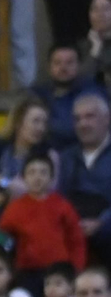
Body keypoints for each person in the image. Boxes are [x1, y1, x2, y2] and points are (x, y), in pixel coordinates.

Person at [0, 154, 87, 292]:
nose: (37, 177)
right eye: (32, 172)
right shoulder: (14, 209)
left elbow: (76, 240)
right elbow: (3, 239)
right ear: (23, 177)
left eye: (43, 172)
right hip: (26, 271)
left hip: (59, 270)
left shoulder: (63, 206)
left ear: (52, 178)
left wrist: (76, 269)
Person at [0, 95, 57, 204]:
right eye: (36, 121)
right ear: (18, 122)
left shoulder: (48, 154)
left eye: (44, 123)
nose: (41, 128)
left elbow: (52, 188)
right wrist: (6, 182)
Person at [56, 93, 111, 262]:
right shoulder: (65, 158)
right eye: (77, 119)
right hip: (71, 234)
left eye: (89, 117)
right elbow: (58, 197)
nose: (83, 124)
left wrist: (102, 223)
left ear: (107, 118)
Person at [33, 44, 108, 151]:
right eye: (57, 63)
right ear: (49, 67)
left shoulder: (91, 91)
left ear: (79, 65)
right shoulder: (40, 92)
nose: (63, 68)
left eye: (69, 62)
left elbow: (70, 129)